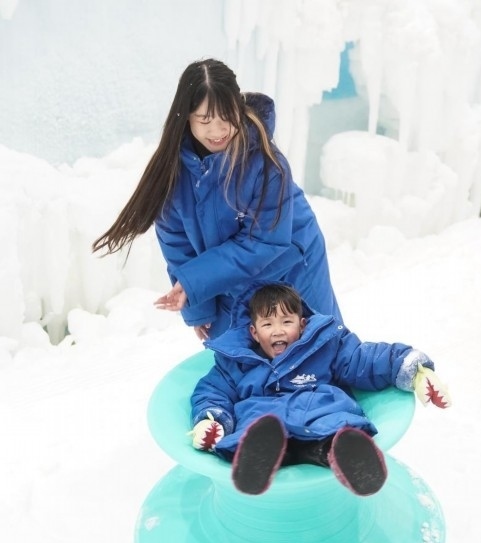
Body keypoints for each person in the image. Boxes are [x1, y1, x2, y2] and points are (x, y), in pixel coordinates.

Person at [92, 58, 341, 341]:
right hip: (223, 277)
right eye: (205, 120)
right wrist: (198, 306)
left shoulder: (266, 163)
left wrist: (195, 283)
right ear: (186, 117)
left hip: (289, 264)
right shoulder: (172, 172)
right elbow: (178, 245)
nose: (218, 130)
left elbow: (265, 241)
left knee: (315, 346)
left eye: (226, 116)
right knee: (234, 352)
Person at [190, 283, 451, 496]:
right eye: (267, 324)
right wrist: (212, 419)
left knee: (332, 427)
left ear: (302, 325)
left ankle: (345, 453)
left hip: (317, 414)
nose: (277, 331)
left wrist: (414, 370)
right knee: (258, 426)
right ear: (254, 332)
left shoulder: (324, 346)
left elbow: (363, 359)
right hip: (265, 421)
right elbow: (213, 391)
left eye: (286, 322)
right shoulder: (236, 362)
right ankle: (257, 458)